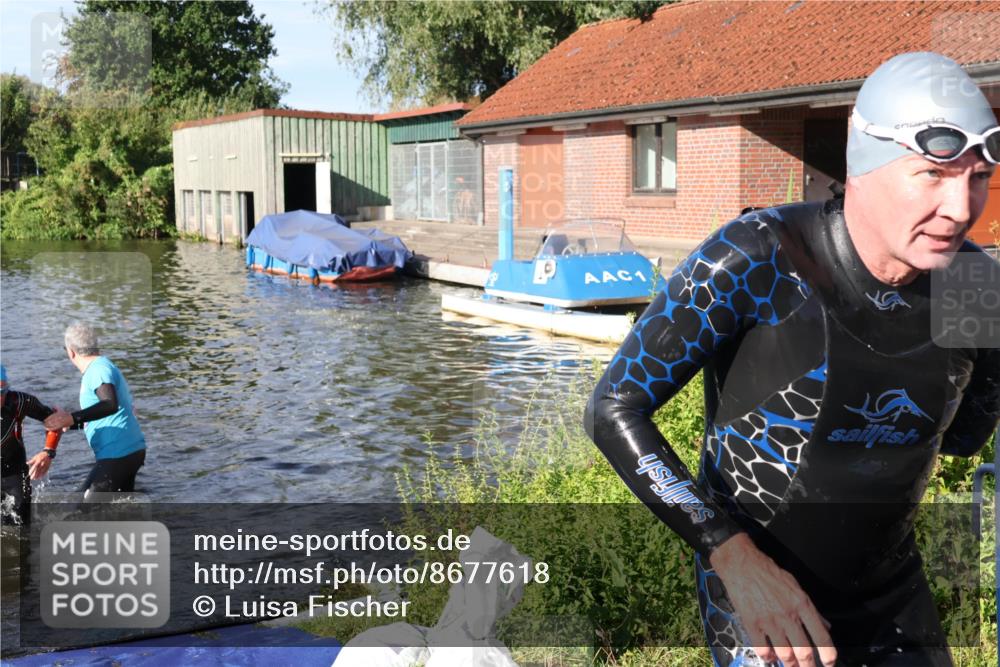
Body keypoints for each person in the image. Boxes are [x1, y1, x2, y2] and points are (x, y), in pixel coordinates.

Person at [586, 51, 1000, 667]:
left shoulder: (975, 286)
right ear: (864, 165)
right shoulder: (758, 258)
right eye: (934, 175)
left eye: (978, 178)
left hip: (893, 594)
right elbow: (614, 407)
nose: (962, 208)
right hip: (760, 591)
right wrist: (727, 551)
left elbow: (965, 438)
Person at [43, 323, 146, 496]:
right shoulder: (101, 367)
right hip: (128, 450)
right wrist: (71, 424)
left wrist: (72, 417)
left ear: (71, 351)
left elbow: (109, 404)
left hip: (118, 453)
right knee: (117, 510)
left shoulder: (98, 370)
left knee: (83, 513)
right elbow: (106, 412)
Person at [1, 365, 62, 525]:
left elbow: (55, 421)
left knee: (21, 526)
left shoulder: (19, 402)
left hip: (14, 472)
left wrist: (48, 451)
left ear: (7, 389)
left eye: (1, 392)